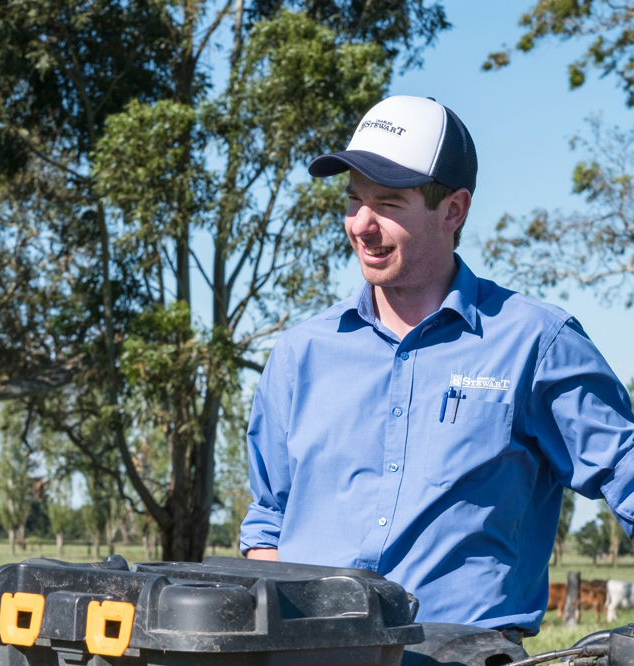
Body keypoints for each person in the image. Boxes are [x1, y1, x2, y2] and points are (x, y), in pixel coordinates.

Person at [239, 95, 634, 638]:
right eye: (354, 201)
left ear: (453, 210)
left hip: (465, 654)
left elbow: (626, 471)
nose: (362, 225)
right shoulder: (298, 355)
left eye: (389, 204)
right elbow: (268, 519)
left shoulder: (536, 343)